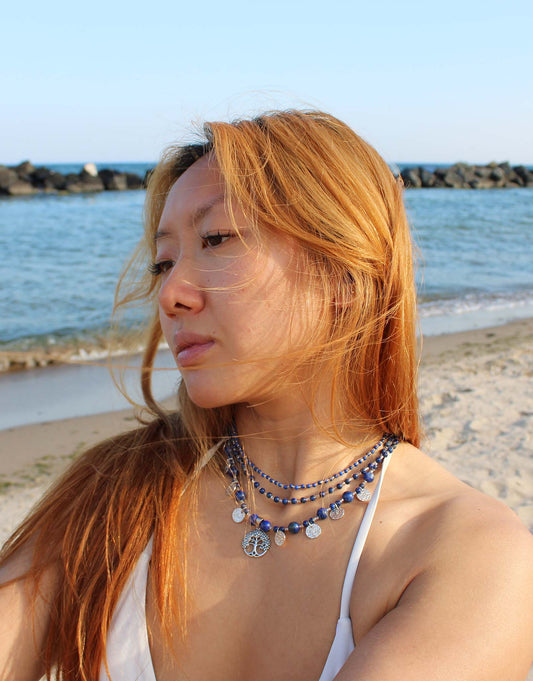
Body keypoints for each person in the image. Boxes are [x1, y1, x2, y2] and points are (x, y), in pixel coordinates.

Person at [1, 109, 532, 681]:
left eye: (215, 239)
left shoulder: (466, 553)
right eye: (163, 262)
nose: (171, 293)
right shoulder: (115, 494)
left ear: (343, 271)